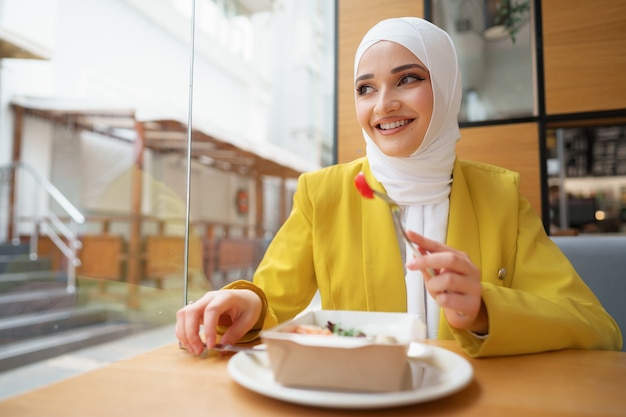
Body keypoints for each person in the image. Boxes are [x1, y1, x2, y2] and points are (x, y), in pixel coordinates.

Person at [176, 17, 622, 357]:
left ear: (446, 87)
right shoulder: (323, 193)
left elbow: (597, 328)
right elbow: (270, 300)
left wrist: (485, 310)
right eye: (365, 88)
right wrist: (243, 303)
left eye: (408, 79)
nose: (384, 103)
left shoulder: (500, 196)